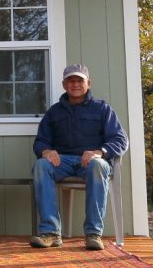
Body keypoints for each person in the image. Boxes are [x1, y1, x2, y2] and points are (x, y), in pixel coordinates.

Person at [30, 63, 127, 251]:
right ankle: (50, 233)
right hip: (62, 162)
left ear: (88, 83)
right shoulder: (54, 112)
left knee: (98, 166)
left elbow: (120, 139)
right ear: (64, 84)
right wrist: (46, 151)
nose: (75, 84)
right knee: (41, 166)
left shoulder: (102, 109)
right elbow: (40, 141)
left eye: (79, 80)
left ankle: (93, 234)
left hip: (91, 162)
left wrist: (101, 152)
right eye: (70, 80)